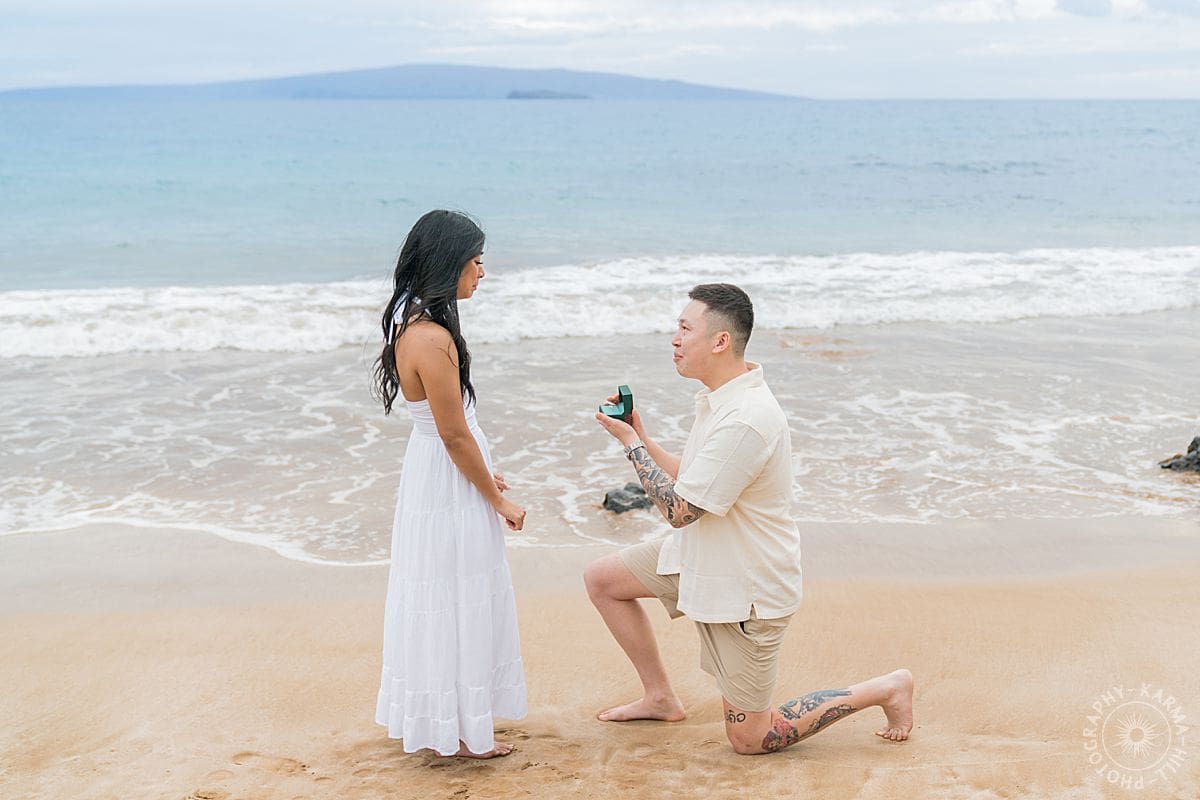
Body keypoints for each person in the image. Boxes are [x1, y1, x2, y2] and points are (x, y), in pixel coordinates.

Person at [587, 283, 913, 755]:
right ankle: (660, 698)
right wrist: (643, 436)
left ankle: (886, 687)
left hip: (746, 588)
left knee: (753, 737)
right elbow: (697, 478)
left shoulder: (745, 417)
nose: (674, 339)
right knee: (603, 580)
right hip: (703, 556)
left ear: (720, 342)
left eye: (684, 329)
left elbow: (681, 510)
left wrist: (631, 446)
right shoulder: (723, 397)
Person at [372, 210, 527, 759]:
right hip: (446, 482)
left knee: (445, 592)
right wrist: (496, 496)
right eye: (477, 261)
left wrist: (485, 475)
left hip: (438, 477)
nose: (482, 273)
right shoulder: (432, 338)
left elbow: (452, 435)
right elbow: (454, 435)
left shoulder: (411, 324)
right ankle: (458, 734)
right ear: (450, 262)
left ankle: (450, 722)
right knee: (457, 595)